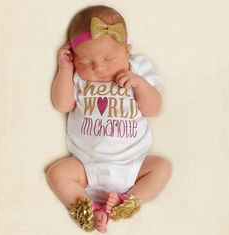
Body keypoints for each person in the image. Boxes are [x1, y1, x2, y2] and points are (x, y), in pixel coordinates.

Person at [46, 5, 172, 233]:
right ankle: (89, 210)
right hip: (86, 166)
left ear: (127, 50)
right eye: (86, 62)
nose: (99, 67)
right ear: (74, 59)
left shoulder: (139, 69)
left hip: (133, 164)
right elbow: (62, 104)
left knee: (162, 167)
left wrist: (139, 84)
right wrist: (64, 69)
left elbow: (153, 109)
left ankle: (128, 203)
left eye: (110, 58)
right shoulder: (78, 78)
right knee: (57, 172)